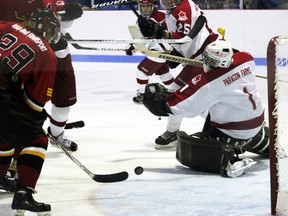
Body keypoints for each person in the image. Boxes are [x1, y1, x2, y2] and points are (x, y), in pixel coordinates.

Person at [142, 40, 269, 177]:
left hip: (233, 134)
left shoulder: (209, 83)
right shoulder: (246, 59)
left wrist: (155, 99)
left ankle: (230, 162)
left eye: (208, 59)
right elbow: (235, 53)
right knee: (220, 110)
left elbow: (177, 107)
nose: (205, 61)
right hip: (256, 123)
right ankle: (268, 143)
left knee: (189, 147)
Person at [0, 0, 83, 152]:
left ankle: (57, 134)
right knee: (18, 102)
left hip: (55, 51)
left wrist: (69, 12)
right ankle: (17, 141)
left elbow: (61, 15)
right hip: (23, 55)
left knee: (65, 95)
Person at [0, 9, 60, 213]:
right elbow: (34, 102)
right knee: (36, 139)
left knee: (6, 132)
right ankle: (24, 194)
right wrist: (35, 117)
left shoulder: (9, 25)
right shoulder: (48, 54)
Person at [137, 0, 220, 148]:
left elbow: (183, 38)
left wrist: (161, 33)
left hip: (205, 57)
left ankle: (221, 127)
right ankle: (222, 126)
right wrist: (176, 53)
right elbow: (186, 38)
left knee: (175, 95)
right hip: (199, 56)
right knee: (188, 96)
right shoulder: (174, 10)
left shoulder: (182, 9)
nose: (167, 1)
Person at [126, 0, 174, 103]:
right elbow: (140, 40)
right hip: (156, 52)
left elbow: (172, 32)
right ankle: (175, 91)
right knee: (164, 73)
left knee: (141, 72)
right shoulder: (140, 21)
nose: (144, 9)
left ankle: (143, 95)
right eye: (142, 6)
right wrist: (132, 47)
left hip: (162, 51)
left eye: (147, 6)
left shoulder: (163, 16)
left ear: (153, 6)